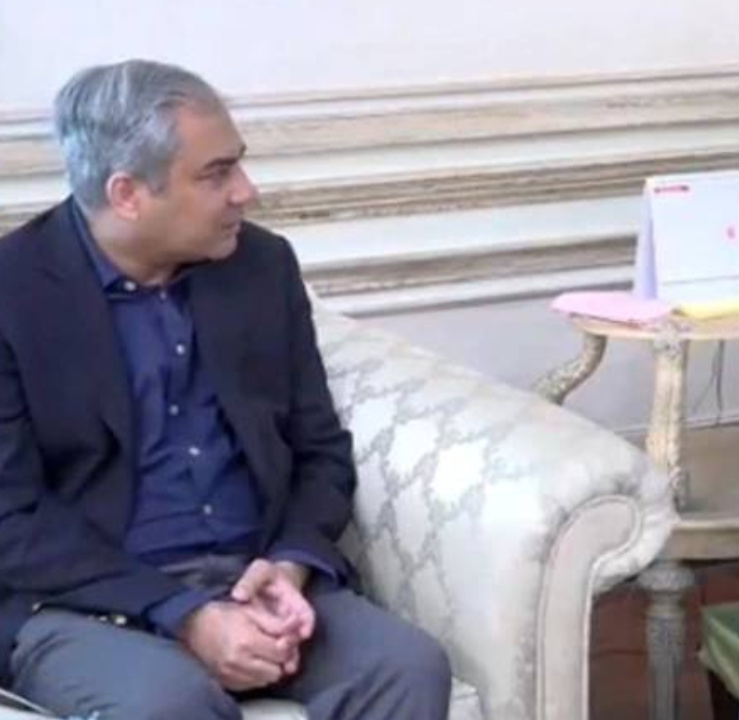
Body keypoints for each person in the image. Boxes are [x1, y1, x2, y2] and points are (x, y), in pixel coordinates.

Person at [0, 60, 451, 720]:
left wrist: (291, 563)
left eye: (238, 164)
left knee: (406, 667)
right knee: (168, 705)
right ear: (127, 194)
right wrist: (184, 612)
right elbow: (10, 517)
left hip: (252, 577)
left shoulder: (261, 267)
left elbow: (319, 449)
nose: (246, 191)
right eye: (216, 174)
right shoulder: (13, 293)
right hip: (86, 602)